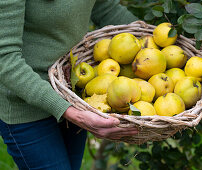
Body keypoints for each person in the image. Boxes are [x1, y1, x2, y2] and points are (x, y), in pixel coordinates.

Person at [0, 0, 139, 169]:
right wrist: (72, 113)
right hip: (26, 104)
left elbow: (103, 7)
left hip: (71, 90)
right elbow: (5, 58)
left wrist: (156, 42)